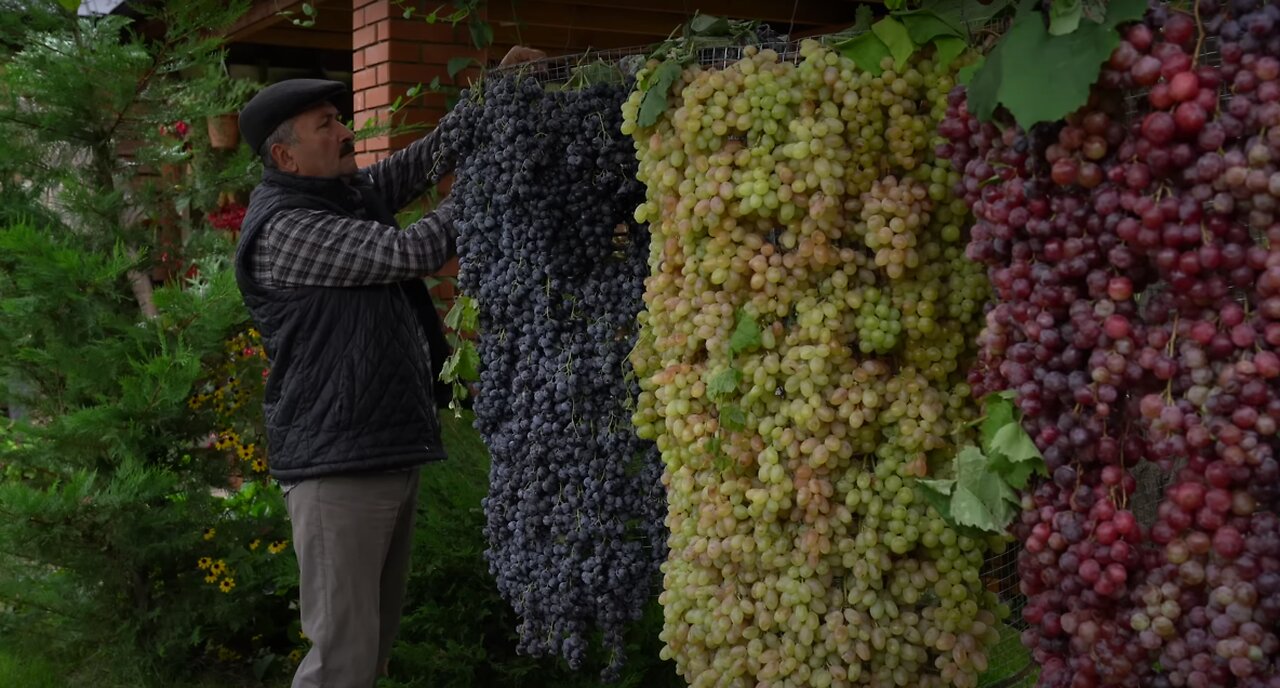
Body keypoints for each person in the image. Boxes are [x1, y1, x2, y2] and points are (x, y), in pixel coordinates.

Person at [233, 45, 545, 688]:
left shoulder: (341, 196)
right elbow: (416, 249)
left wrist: (494, 98)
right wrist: (500, 170)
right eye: (327, 125)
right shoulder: (288, 228)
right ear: (285, 156)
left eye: (339, 118)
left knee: (368, 656)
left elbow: (421, 160)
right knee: (340, 661)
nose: (346, 131)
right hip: (337, 466)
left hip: (379, 451)